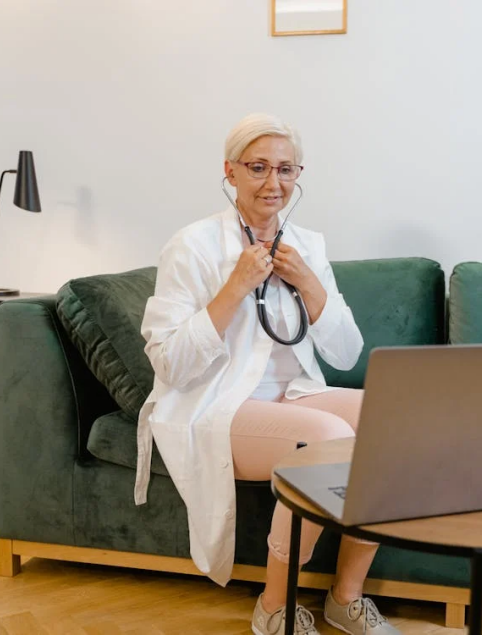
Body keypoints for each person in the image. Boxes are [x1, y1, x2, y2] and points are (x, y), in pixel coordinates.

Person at [136, 113, 401, 635]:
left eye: (285, 169)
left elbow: (346, 354)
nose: (273, 183)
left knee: (393, 422)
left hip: (294, 394)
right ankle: (276, 608)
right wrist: (234, 287)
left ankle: (345, 599)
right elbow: (169, 363)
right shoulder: (192, 246)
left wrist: (307, 281)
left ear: (298, 174)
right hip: (215, 403)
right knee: (330, 438)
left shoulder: (309, 245)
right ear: (230, 172)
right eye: (258, 167)